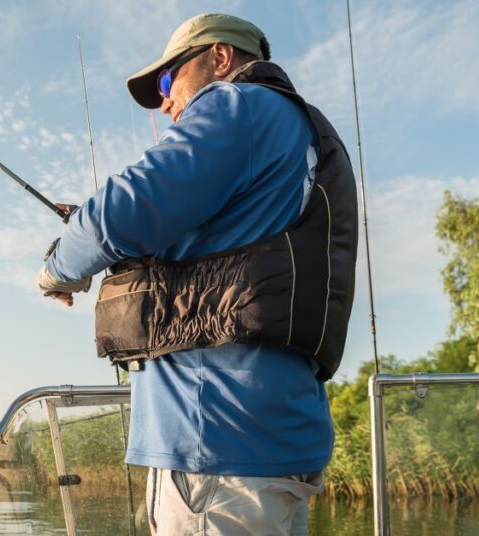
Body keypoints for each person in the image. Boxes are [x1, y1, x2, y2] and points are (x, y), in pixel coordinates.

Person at [37, 13, 358, 536]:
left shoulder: (238, 105)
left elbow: (124, 211)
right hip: (274, 441)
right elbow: (218, 249)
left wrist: (58, 269)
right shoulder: (301, 134)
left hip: (215, 446)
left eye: (167, 81)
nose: (164, 102)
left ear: (220, 58)